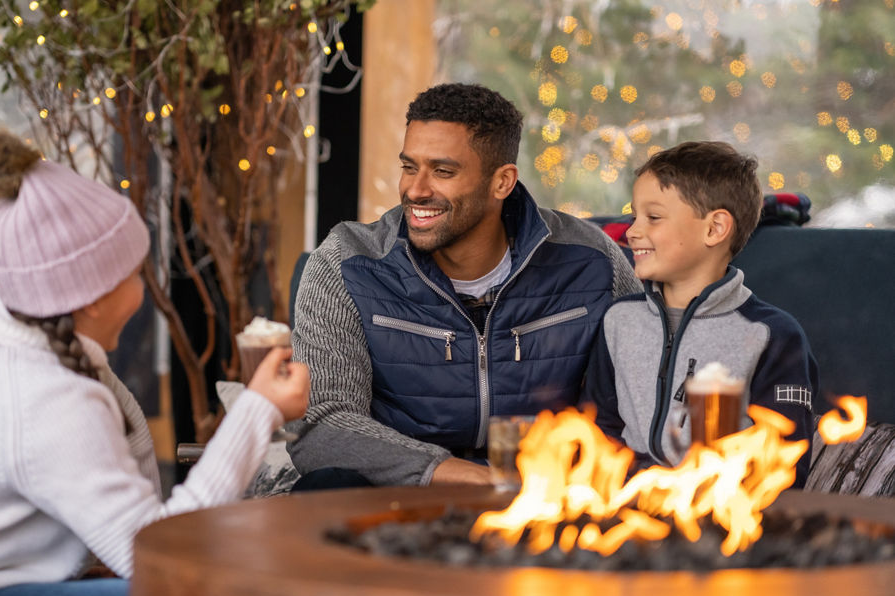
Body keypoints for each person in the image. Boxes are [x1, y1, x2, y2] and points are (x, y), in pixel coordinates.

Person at [0, 130, 309, 596]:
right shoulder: (41, 396)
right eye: (134, 273)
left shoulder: (9, 322)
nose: (144, 286)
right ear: (89, 297)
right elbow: (159, 551)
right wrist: (260, 408)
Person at [289, 83, 639, 489]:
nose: (416, 189)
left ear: (502, 182)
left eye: (442, 171)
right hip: (401, 495)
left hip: (546, 498)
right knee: (327, 486)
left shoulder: (590, 261)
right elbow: (319, 424)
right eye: (409, 167)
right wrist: (469, 477)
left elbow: (643, 395)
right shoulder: (349, 262)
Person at [582, 141, 817, 486]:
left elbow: (784, 464)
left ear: (714, 229)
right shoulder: (618, 321)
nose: (631, 231)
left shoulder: (772, 335)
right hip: (624, 509)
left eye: (653, 217)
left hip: (718, 516)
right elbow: (596, 427)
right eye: (634, 216)